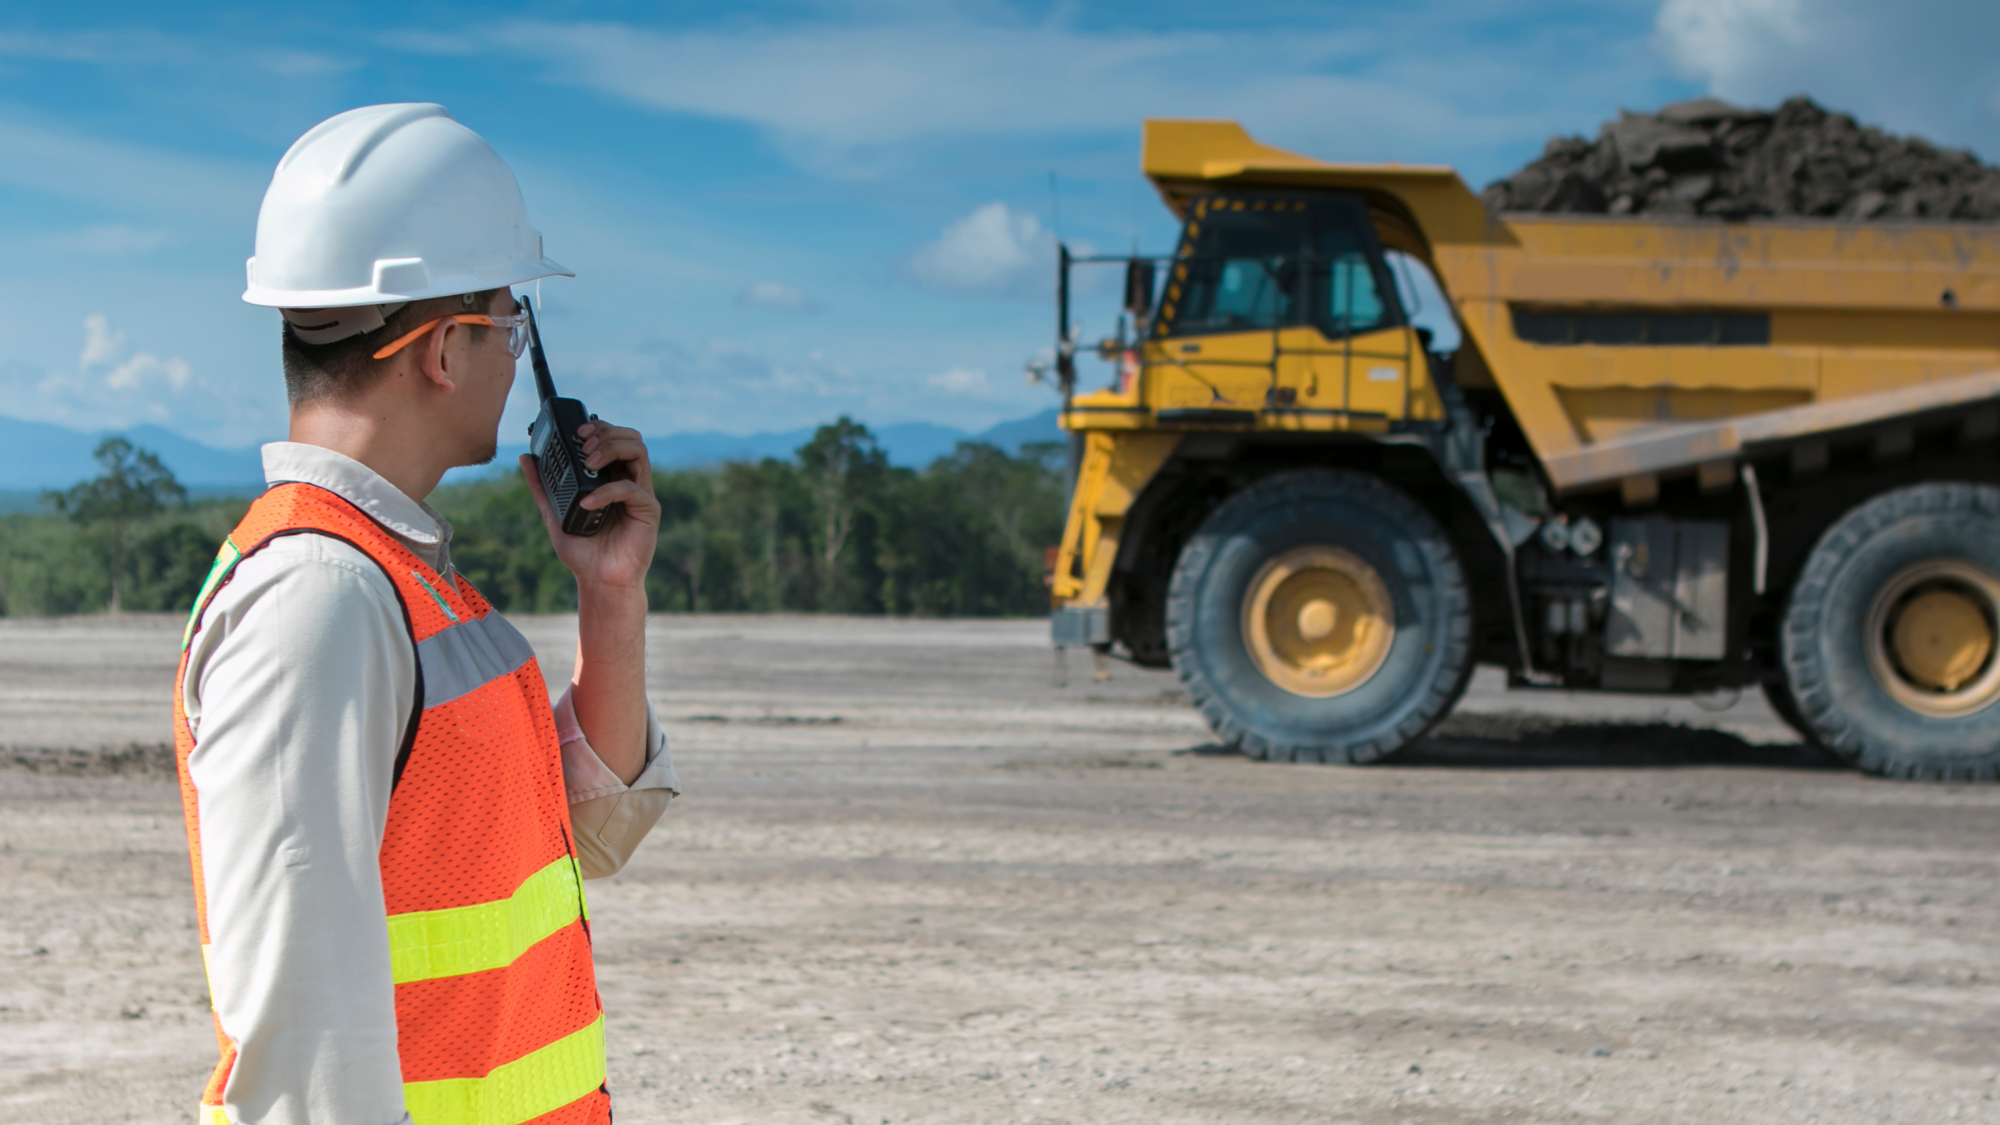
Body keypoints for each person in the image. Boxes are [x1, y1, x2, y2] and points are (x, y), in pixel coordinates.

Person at [171, 103, 677, 1125]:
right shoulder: (317, 601)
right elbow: (307, 1055)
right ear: (445, 347)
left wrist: (608, 594)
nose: (515, 357)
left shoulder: (405, 582)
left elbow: (583, 832)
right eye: (511, 321)